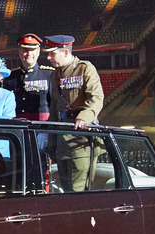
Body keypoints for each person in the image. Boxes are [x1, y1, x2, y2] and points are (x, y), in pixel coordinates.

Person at [44, 35, 104, 192]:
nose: (48, 57)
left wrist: (84, 117)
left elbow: (96, 99)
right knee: (65, 190)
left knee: (78, 190)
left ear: (65, 52)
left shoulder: (85, 68)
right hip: (62, 138)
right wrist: (51, 140)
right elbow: (54, 109)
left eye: (52, 53)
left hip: (81, 139)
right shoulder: (55, 75)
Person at [3, 33, 54, 121]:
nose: (29, 53)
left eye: (32, 50)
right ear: (19, 51)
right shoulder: (10, 77)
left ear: (38, 52)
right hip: (16, 125)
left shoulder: (49, 75)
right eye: (25, 50)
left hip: (41, 125)